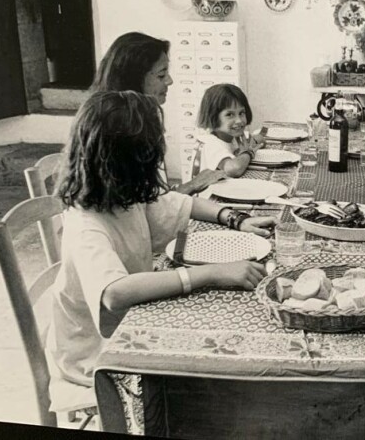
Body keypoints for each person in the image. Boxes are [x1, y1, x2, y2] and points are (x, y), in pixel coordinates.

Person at [46, 91, 276, 391]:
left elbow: (180, 203)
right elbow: (114, 293)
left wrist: (236, 218)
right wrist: (212, 273)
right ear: (122, 157)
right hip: (98, 353)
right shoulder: (85, 221)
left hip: (132, 318)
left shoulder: (120, 192)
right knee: (213, 377)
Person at [91, 31, 224, 195]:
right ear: (134, 78)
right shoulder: (118, 128)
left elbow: (154, 197)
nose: (170, 80)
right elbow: (147, 206)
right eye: (162, 75)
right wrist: (191, 186)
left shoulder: (137, 117)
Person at [196, 83, 264, 178]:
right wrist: (248, 152)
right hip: (215, 192)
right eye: (229, 115)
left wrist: (253, 141)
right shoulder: (211, 144)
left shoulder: (232, 136)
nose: (239, 120)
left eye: (241, 113)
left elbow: (260, 138)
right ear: (213, 116)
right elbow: (233, 169)